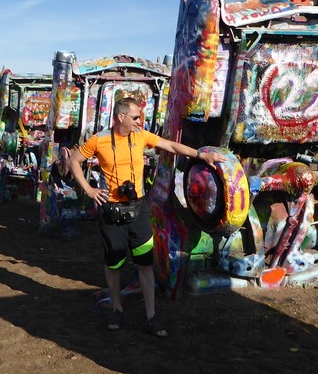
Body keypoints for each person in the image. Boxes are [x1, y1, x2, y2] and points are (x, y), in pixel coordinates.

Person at [68, 97, 225, 338]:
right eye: (135, 117)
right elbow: (74, 160)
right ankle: (117, 309)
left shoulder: (141, 136)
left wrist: (200, 155)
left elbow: (170, 145)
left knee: (145, 263)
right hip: (111, 210)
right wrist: (88, 190)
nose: (139, 121)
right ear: (120, 117)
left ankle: (151, 316)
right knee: (114, 262)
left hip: (138, 209)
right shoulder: (98, 140)